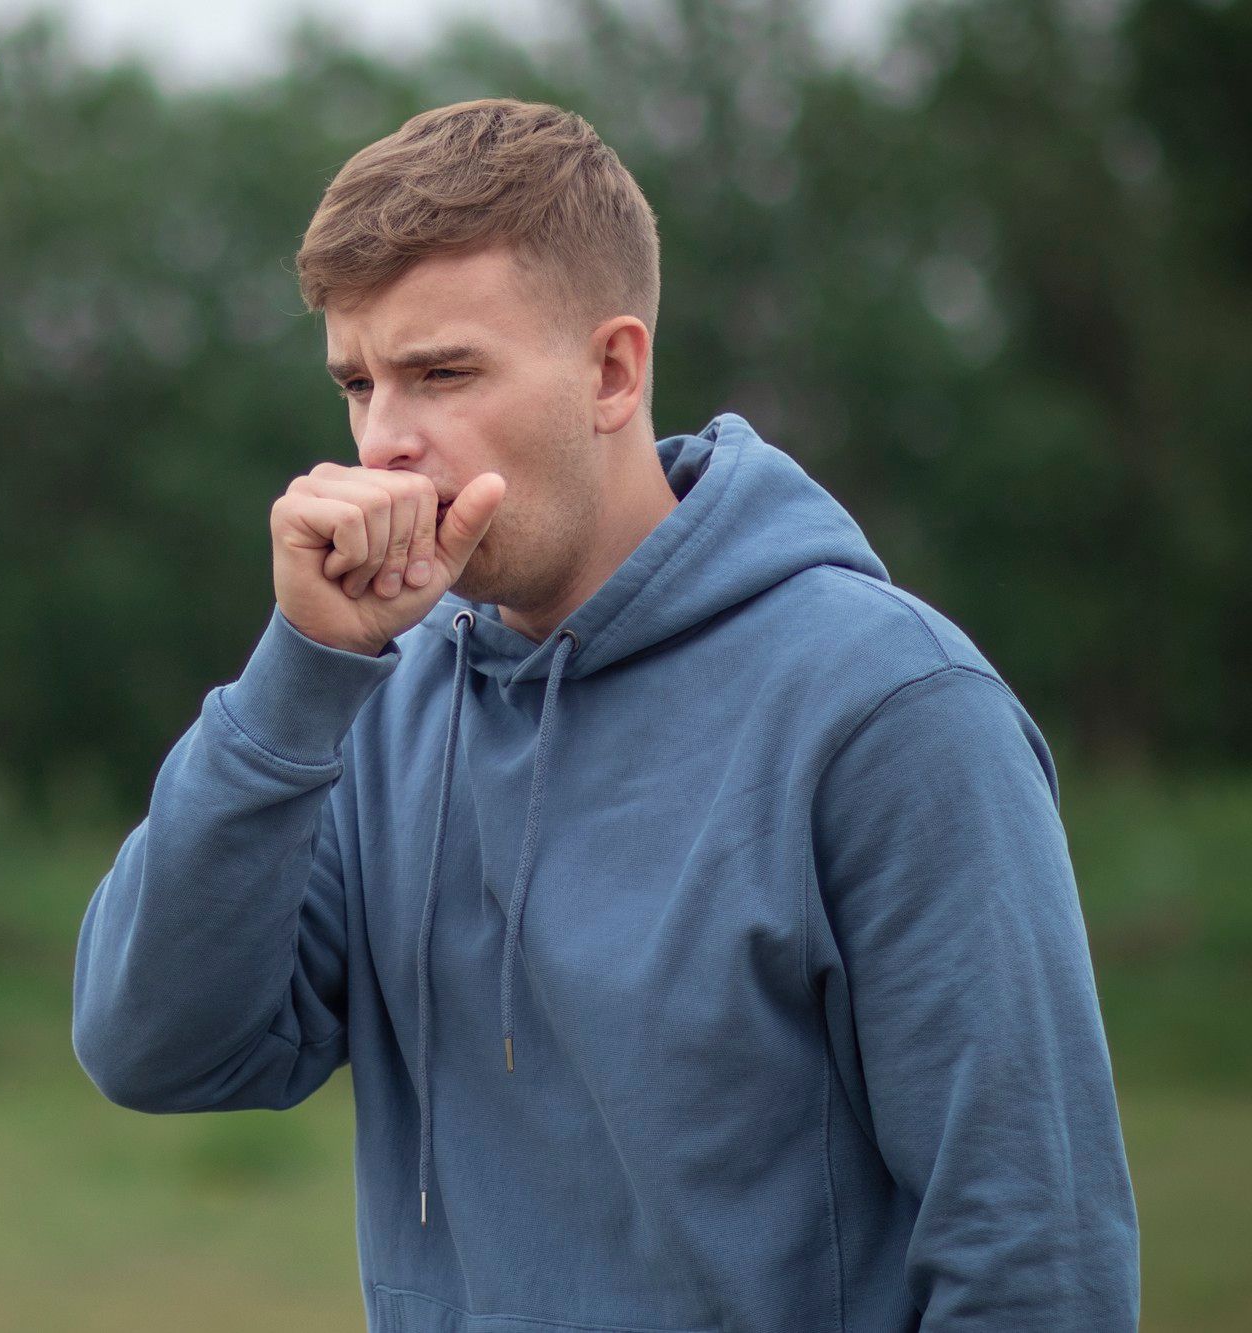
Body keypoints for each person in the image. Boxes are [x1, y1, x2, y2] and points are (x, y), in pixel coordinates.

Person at [70, 97, 1140, 1331]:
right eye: (356, 383)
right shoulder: (376, 703)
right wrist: (301, 670)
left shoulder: (889, 709)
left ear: (611, 370)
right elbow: (154, 1046)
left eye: (441, 373)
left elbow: (1033, 1255)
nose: (381, 441)